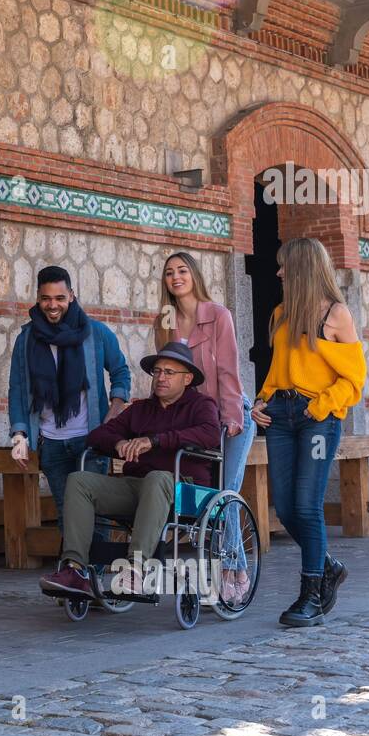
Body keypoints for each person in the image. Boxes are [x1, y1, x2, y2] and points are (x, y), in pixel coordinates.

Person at [39, 341, 220, 600]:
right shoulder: (140, 410)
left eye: (169, 372)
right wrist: (119, 443)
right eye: (157, 372)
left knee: (157, 478)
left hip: (183, 489)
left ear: (188, 379)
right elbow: (98, 436)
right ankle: (75, 570)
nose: (161, 378)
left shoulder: (202, 405)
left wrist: (155, 440)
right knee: (79, 481)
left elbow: (211, 434)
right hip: (138, 486)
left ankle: (134, 569)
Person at [249, 237, 366, 628]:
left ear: (302, 268)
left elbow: (354, 378)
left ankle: (311, 596)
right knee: (283, 507)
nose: (278, 272)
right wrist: (261, 400)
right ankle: (328, 566)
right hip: (280, 415)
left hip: (318, 417)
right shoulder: (281, 313)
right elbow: (278, 368)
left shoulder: (336, 314)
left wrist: (320, 404)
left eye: (284, 266)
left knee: (306, 506)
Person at [153, 252, 254, 605]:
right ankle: (210, 571)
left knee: (225, 493)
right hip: (194, 421)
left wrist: (232, 418)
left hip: (229, 417)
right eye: (169, 273)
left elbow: (228, 371)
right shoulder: (164, 322)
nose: (175, 277)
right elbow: (166, 376)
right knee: (201, 498)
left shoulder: (218, 315)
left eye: (182, 271)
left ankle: (235, 571)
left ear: (194, 275)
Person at [8, 265, 131, 531]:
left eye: (59, 298)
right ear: (38, 298)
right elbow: (17, 389)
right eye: (46, 298)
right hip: (50, 443)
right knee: (67, 513)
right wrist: (19, 434)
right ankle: (74, 569)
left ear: (71, 296)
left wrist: (115, 408)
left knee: (95, 509)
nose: (53, 305)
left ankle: (92, 570)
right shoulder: (27, 338)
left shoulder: (95, 332)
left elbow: (120, 371)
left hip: (91, 440)